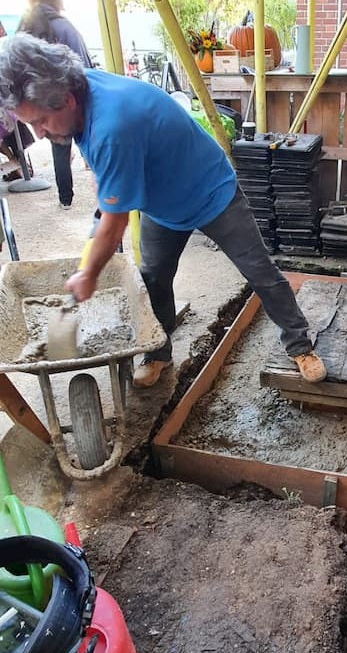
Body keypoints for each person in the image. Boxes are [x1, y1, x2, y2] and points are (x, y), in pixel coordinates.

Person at [0, 34, 327, 388]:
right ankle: (158, 354)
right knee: (154, 278)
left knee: (260, 272)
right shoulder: (80, 92)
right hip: (161, 204)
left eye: (41, 121)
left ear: (65, 98)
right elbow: (104, 188)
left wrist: (88, 273)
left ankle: (300, 344)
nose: (39, 132)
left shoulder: (112, 125)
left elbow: (114, 224)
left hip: (210, 191)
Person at [17, 0, 93, 210]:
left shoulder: (22, 29)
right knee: (92, 147)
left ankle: (65, 198)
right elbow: (86, 71)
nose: (37, 134)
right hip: (71, 106)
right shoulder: (64, 26)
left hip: (44, 106)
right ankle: (101, 187)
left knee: (59, 148)